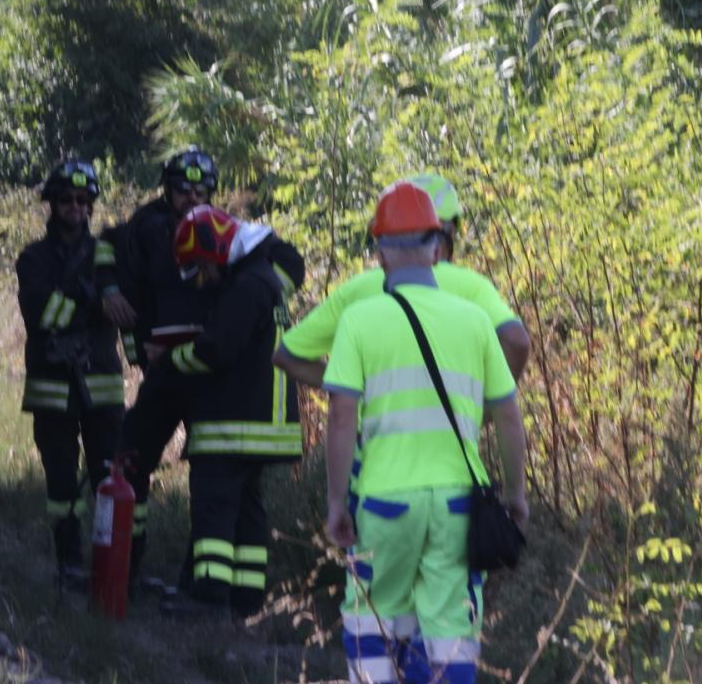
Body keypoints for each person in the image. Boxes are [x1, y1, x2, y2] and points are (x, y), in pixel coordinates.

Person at [322, 182, 528, 684]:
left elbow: (342, 417)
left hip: (385, 501)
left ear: (380, 253)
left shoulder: (359, 320)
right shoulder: (475, 320)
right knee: (450, 624)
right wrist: (515, 494)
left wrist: (335, 503)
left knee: (373, 614)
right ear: (436, 248)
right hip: (460, 503)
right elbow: (507, 416)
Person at [147, 205, 303, 619]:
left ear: (218, 251)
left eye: (201, 267)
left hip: (232, 426)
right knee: (249, 514)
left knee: (214, 512)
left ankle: (207, 598)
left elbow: (216, 351)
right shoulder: (263, 278)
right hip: (260, 427)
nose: (202, 279)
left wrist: (169, 359)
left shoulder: (248, 285)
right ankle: (246, 599)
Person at [275, 171, 530, 389]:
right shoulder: (473, 287)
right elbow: (516, 340)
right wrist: (489, 404)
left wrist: (353, 388)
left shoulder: (358, 289)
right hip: (451, 444)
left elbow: (288, 356)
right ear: (451, 231)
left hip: (373, 445)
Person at [94, 146, 220, 582]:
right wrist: (109, 289)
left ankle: (199, 579)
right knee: (129, 458)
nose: (192, 197)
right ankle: (125, 562)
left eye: (201, 190)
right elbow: (105, 247)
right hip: (161, 371)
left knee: (211, 475)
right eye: (183, 189)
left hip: (207, 371)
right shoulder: (144, 226)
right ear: (168, 189)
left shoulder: (219, 231)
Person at [15, 159, 125, 591]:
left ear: (92, 206)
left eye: (83, 200)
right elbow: (41, 314)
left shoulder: (108, 255)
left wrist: (84, 300)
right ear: (52, 204)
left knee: (107, 477)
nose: (75, 207)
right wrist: (92, 298)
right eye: (67, 200)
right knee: (60, 480)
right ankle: (69, 560)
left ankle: (114, 565)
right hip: (52, 387)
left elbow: (123, 306)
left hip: (101, 386)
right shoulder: (33, 258)